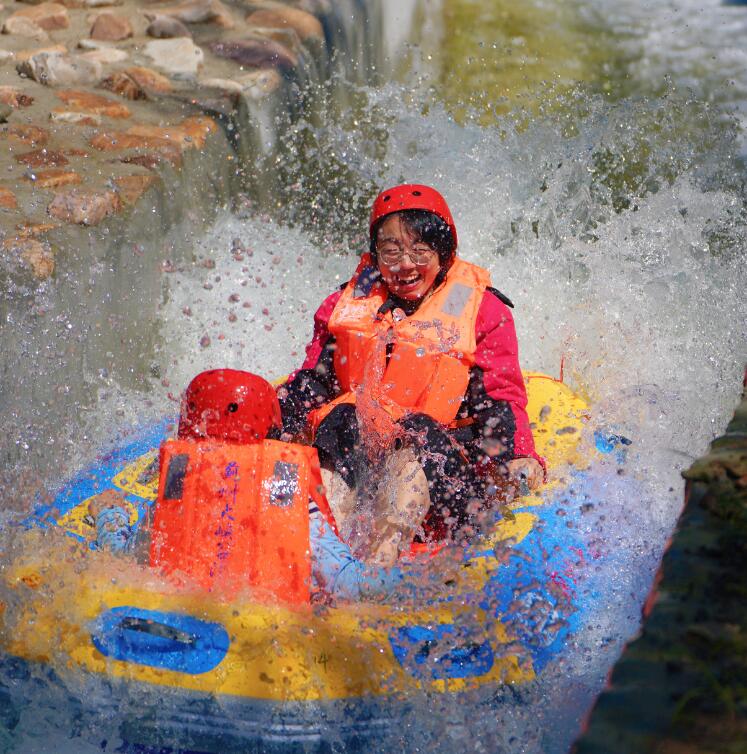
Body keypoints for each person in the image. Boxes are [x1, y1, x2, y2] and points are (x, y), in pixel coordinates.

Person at [279, 184, 544, 562]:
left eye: (420, 251)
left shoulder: (483, 311)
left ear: (444, 254)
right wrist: (272, 426)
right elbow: (312, 382)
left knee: (416, 430)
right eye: (391, 251)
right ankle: (326, 552)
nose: (405, 264)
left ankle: (378, 567)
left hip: (442, 479)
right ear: (375, 254)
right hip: (362, 466)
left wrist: (517, 457)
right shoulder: (343, 305)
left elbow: (500, 400)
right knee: (341, 418)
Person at [90, 369, 402, 602]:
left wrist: (109, 514)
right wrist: (412, 580)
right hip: (267, 637)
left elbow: (124, 556)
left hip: (184, 615)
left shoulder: (181, 484)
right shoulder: (283, 487)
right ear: (271, 431)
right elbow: (348, 584)